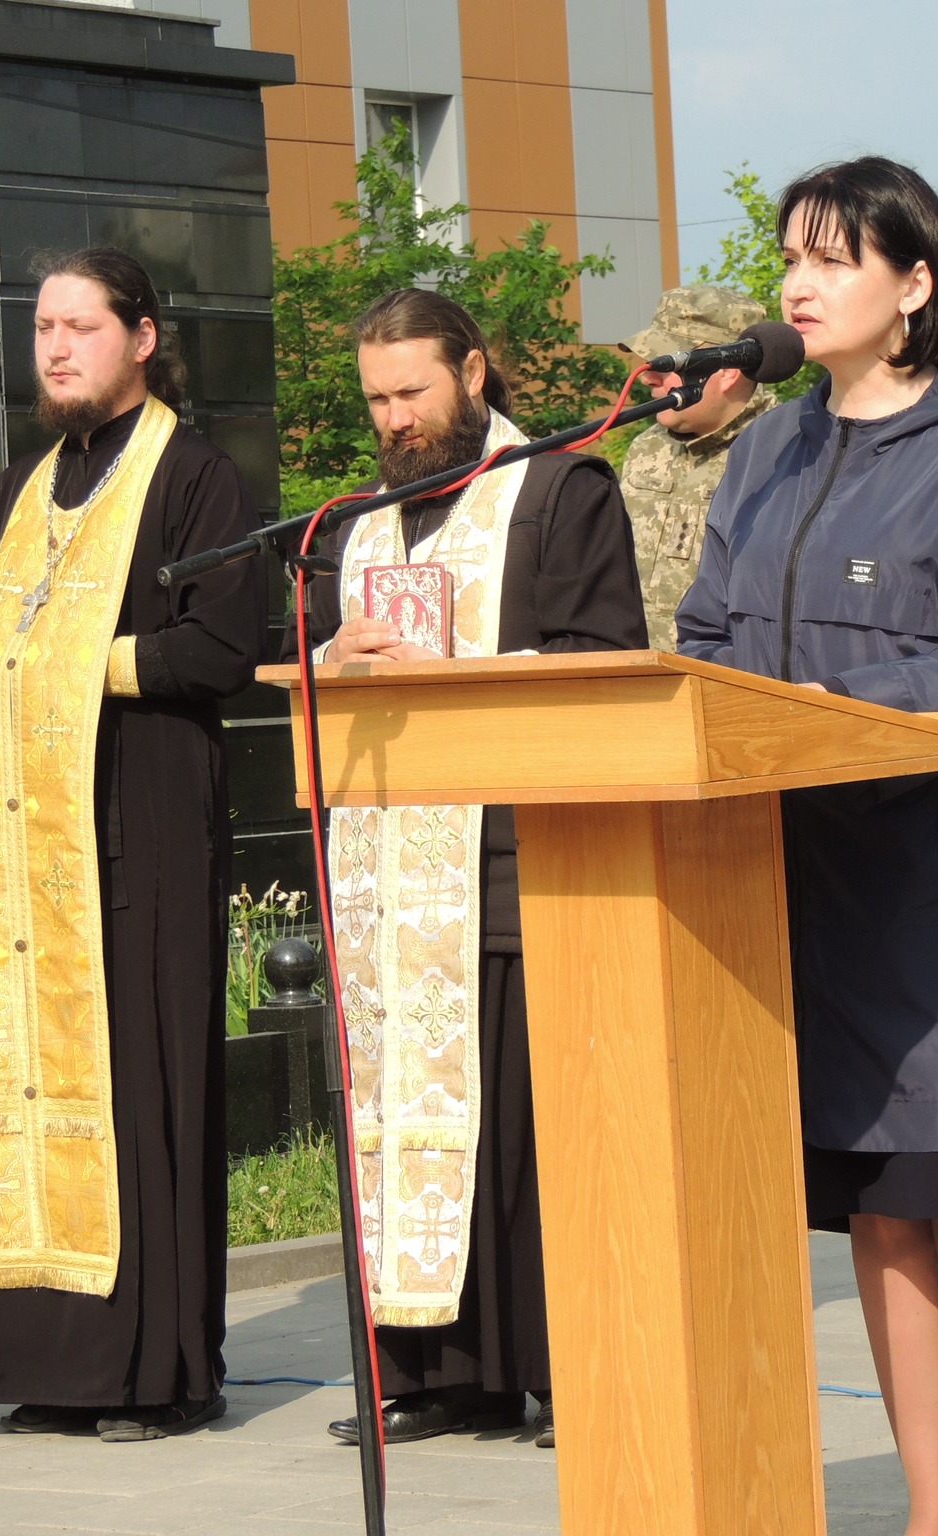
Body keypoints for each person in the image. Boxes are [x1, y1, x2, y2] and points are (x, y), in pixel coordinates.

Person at [679, 156, 938, 1536]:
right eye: (791, 256)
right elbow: (709, 637)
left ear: (914, 286)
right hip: (809, 884)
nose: (799, 282)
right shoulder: (766, 448)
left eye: (833, 259)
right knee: (886, 1210)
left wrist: (840, 708)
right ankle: (927, 1508)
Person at [0, 247, 269, 1441]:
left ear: (143, 337)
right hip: (25, 854)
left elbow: (219, 648)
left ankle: (162, 1373)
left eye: (82, 326)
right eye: (44, 329)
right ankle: (47, 1360)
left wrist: (80, 664)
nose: (58, 349)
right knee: (27, 1096)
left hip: (145, 831)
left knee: (142, 1093)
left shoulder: (195, 476)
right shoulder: (23, 486)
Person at [289, 288, 646, 1451]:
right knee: (413, 1131)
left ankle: (566, 1369)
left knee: (530, 1137)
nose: (393, 419)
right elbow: (305, 666)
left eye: (412, 392)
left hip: (514, 860)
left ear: (475, 373)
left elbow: (606, 662)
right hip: (391, 873)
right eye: (376, 400)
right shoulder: (357, 523)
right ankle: (445, 1377)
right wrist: (332, 652)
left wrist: (469, 669)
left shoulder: (558, 492)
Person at [617, 284, 778, 649]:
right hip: (632, 671)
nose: (647, 376)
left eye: (667, 363)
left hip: (727, 674)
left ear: (728, 370)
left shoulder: (787, 454)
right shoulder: (646, 449)